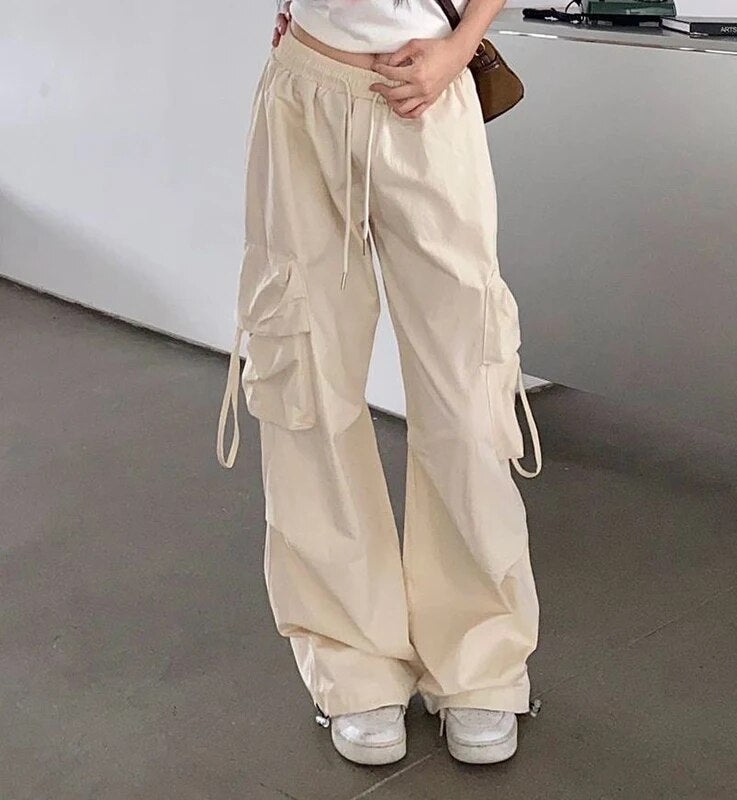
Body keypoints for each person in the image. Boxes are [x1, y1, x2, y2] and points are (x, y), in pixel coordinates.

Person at [216, 0, 543, 766]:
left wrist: (461, 47)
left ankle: (480, 659)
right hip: (305, 91)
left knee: (466, 390)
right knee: (307, 379)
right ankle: (351, 661)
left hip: (428, 89)